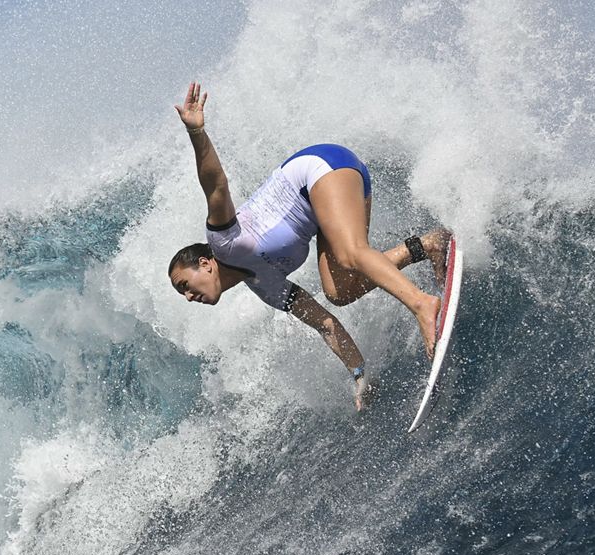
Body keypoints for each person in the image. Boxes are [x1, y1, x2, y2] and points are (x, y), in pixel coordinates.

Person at [167, 82, 452, 411]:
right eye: (183, 294)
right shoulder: (267, 288)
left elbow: (216, 184)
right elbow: (325, 324)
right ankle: (427, 245)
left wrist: (197, 133)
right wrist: (360, 375)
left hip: (321, 168)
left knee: (350, 252)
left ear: (205, 263)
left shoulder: (224, 240)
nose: (189, 296)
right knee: (339, 291)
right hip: (331, 202)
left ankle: (422, 305)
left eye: (185, 285)